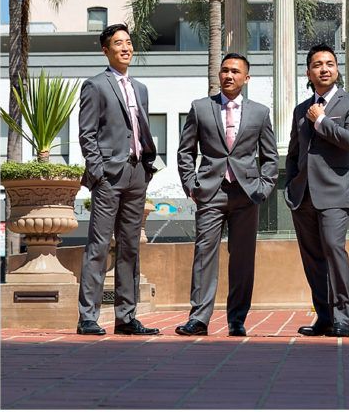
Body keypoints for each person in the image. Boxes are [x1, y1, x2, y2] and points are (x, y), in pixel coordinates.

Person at [175, 53, 278, 337]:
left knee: (242, 258)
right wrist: (191, 185)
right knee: (204, 254)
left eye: (235, 71)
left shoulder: (259, 112)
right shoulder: (200, 108)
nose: (228, 76)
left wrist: (264, 187)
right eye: (224, 71)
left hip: (247, 195)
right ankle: (199, 319)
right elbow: (186, 151)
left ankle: (237, 319)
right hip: (210, 192)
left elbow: (270, 157)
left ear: (246, 78)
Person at [77, 23, 160, 336]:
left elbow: (141, 129)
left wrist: (148, 167)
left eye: (128, 42)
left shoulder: (141, 89)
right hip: (108, 176)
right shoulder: (95, 86)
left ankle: (126, 317)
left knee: (130, 247)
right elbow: (87, 133)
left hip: (137, 174)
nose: (125, 48)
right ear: (105, 51)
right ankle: (88, 317)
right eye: (118, 43)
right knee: (99, 245)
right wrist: (97, 171)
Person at [284, 44, 349, 338]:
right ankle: (324, 317)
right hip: (302, 195)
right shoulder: (299, 109)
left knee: (334, 251)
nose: (324, 68)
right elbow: (294, 153)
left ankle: (342, 317)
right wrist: (291, 185)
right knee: (312, 259)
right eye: (318, 64)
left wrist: (320, 120)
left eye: (330, 63)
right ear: (309, 72)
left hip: (334, 193)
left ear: (337, 69)